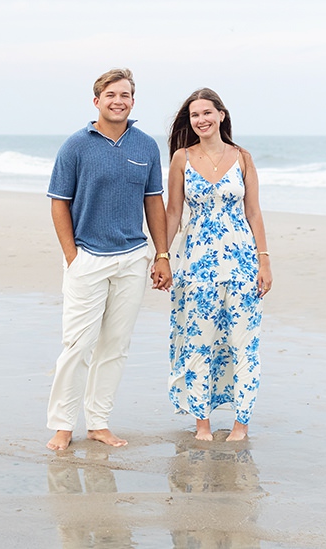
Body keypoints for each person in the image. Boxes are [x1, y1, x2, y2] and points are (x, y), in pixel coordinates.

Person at [45, 68, 172, 452]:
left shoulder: (146, 146)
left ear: (133, 101)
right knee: (78, 345)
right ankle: (62, 425)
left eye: (126, 95)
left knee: (115, 346)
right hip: (87, 258)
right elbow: (59, 202)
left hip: (132, 259)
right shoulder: (75, 146)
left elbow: (154, 201)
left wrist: (161, 254)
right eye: (112, 94)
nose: (119, 101)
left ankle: (98, 423)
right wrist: (72, 256)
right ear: (97, 100)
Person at [164, 88, 272, 442]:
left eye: (207, 112)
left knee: (243, 343)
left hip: (241, 263)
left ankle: (241, 423)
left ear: (221, 115)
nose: (201, 120)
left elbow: (253, 212)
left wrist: (264, 262)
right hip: (196, 264)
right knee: (199, 341)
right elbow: (173, 212)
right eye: (195, 115)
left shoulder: (242, 158)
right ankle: (202, 424)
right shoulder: (181, 158)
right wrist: (162, 255)